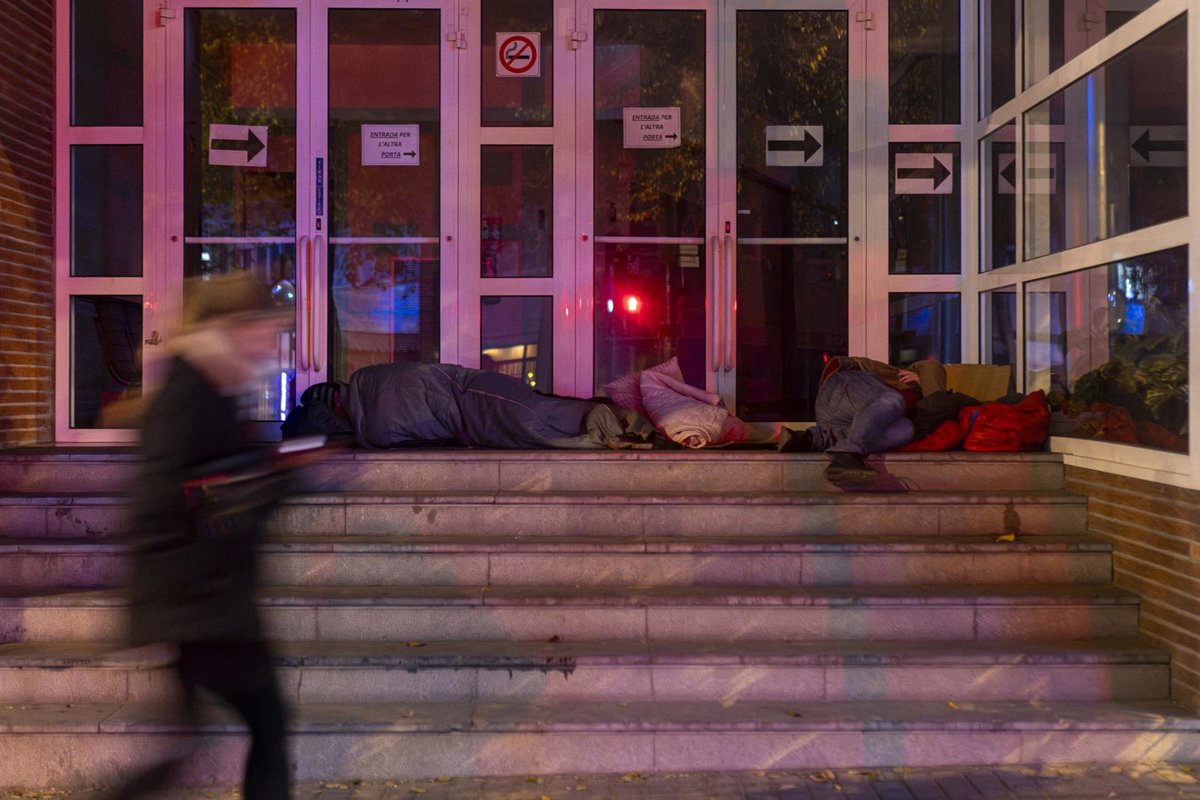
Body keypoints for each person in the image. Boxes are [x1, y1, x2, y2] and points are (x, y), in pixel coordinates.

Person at [116, 272, 299, 800]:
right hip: (203, 607)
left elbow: (216, 487)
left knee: (187, 747)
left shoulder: (214, 386)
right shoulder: (190, 395)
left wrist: (272, 478)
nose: (272, 345)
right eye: (267, 330)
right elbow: (164, 505)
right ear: (234, 326)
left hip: (205, 605)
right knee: (268, 725)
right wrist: (264, 486)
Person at [779, 356, 946, 485]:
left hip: (838, 420)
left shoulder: (915, 408)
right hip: (844, 388)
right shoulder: (904, 378)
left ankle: (809, 439)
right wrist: (923, 381)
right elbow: (932, 372)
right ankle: (848, 456)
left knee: (904, 430)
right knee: (892, 400)